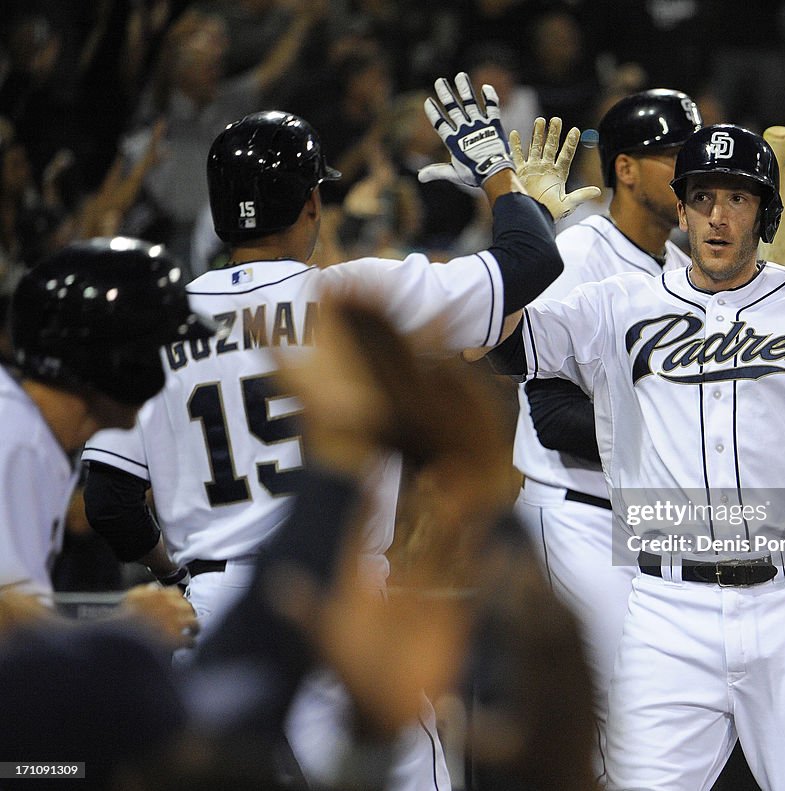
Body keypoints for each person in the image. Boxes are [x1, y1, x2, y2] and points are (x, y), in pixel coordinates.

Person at [81, 72, 573, 790]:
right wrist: (497, 171)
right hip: (346, 615)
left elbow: (110, 498)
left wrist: (170, 571)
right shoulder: (352, 297)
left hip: (216, 615)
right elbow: (532, 259)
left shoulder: (157, 323)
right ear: (312, 203)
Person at [486, 123, 785, 789]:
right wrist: (526, 222)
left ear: (765, 211)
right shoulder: (617, 305)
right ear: (682, 205)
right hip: (666, 610)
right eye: (701, 198)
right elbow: (494, 341)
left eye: (736, 198)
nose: (717, 216)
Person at [508, 88, 700, 781]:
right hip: (576, 516)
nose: (690, 172)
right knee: (608, 720)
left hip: (649, 524)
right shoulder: (579, 251)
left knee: (661, 724)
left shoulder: (685, 272)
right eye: (673, 155)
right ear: (624, 168)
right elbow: (551, 413)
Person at [0, 237, 203, 645]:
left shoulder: (29, 428)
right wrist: (119, 620)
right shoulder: (16, 437)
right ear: (117, 363)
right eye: (155, 351)